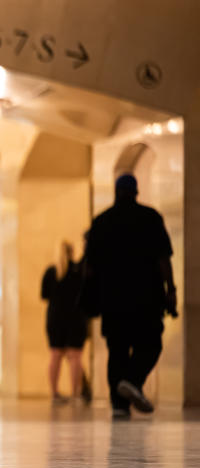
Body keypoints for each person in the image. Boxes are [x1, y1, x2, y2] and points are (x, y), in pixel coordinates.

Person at [85, 173, 177, 420]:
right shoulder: (150, 218)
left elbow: (89, 267)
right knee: (150, 344)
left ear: (116, 192)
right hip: (146, 297)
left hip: (112, 299)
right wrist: (171, 289)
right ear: (136, 193)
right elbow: (163, 259)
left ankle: (119, 405)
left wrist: (90, 296)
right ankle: (132, 380)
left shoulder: (101, 222)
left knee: (117, 349)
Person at [41, 241, 89, 403]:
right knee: (75, 356)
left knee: (55, 354)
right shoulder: (77, 271)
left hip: (55, 317)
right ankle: (76, 393)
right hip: (76, 317)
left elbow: (44, 295)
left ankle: (54, 393)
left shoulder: (51, 271)